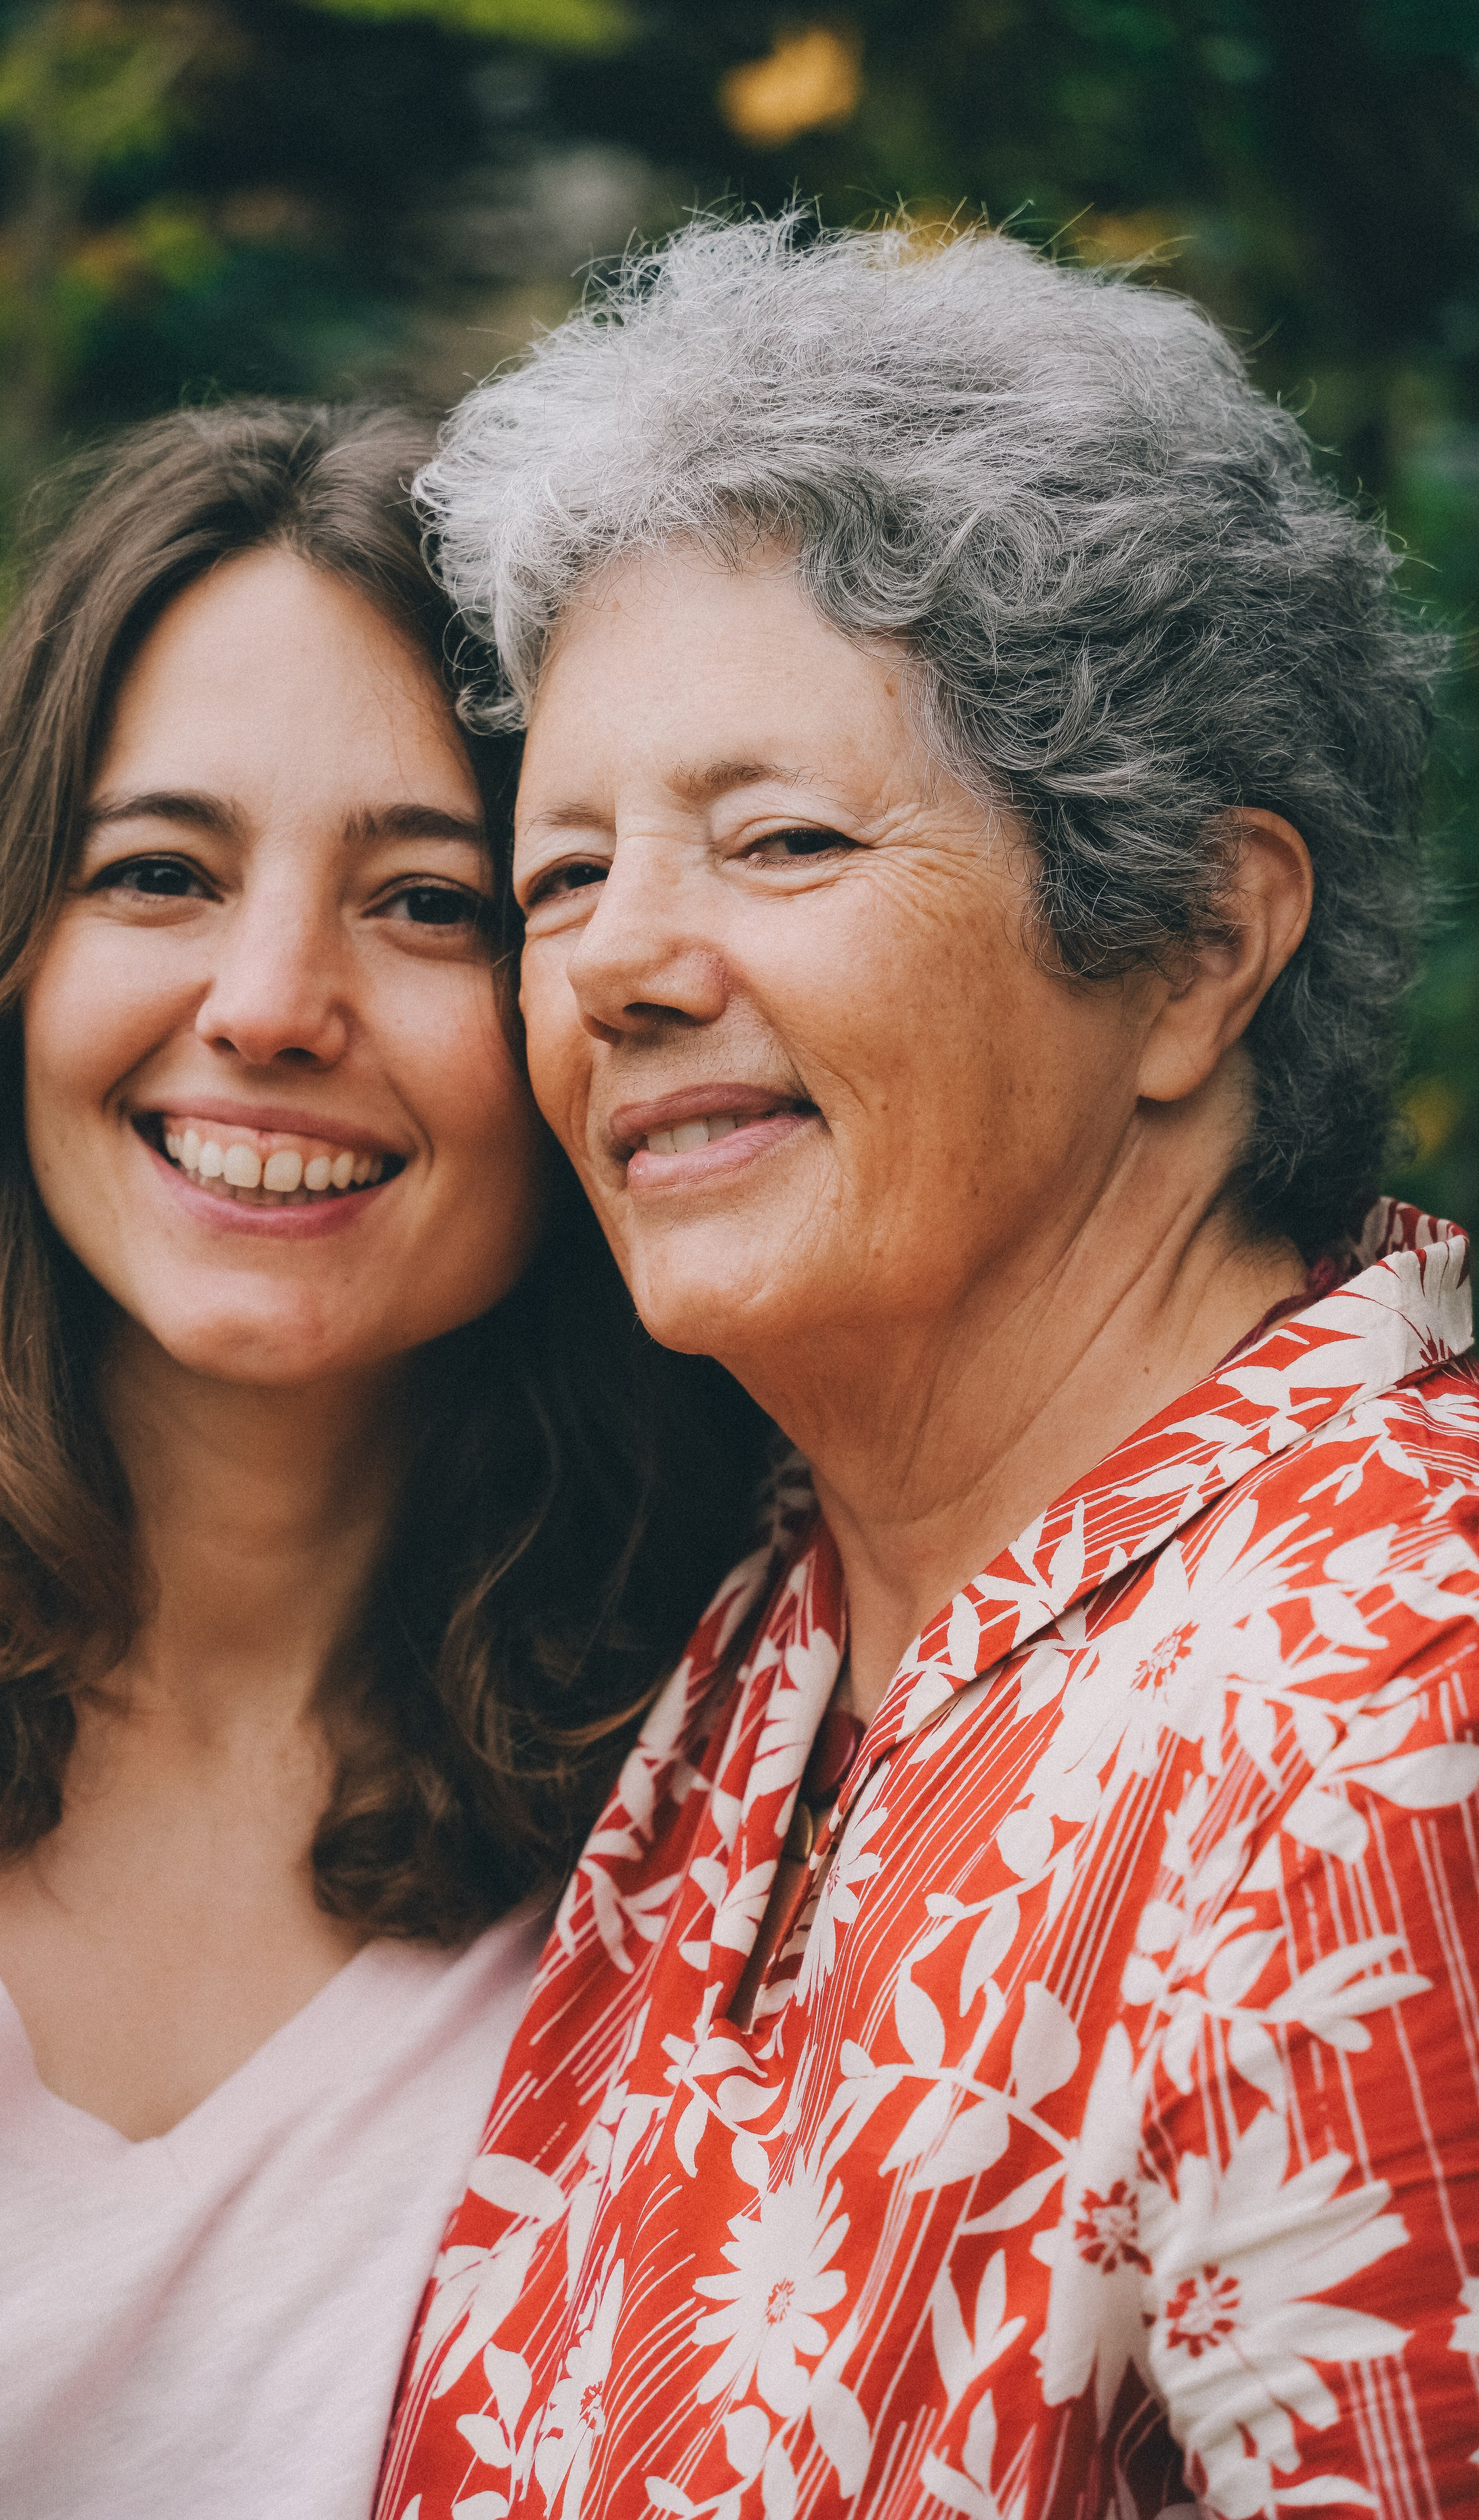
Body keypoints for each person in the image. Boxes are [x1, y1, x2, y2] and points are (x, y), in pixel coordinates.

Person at [377, 219, 1479, 2518]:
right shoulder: (779, 1618)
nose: (620, 970)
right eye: (561, 873)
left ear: (1194, 942)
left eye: (778, 839)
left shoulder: (1394, 1704)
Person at [0, 402, 765, 2520]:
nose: (269, 1002)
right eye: (157, 872)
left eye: (429, 902)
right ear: (0, 955)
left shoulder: (725, 1796)